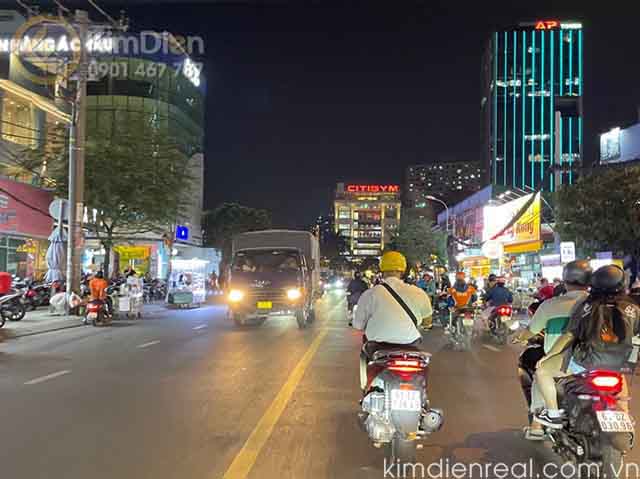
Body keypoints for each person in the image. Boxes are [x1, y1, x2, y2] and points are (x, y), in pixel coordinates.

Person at [534, 265, 640, 429]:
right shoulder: (633, 308)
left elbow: (569, 335)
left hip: (586, 362)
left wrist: (548, 357)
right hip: (621, 364)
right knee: (620, 377)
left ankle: (553, 414)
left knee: (542, 371)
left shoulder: (586, 306)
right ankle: (624, 414)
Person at [515, 260, 592, 440]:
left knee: (539, 375)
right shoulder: (599, 304)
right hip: (597, 360)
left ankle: (539, 425)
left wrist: (520, 337)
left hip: (566, 364)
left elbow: (533, 331)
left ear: (565, 281)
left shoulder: (551, 305)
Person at [353, 251, 432, 391]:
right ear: (402, 270)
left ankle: (367, 388)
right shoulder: (418, 292)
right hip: (410, 345)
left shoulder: (371, 294)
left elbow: (358, 325)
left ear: (382, 270)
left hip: (378, 348)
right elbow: (427, 320)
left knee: (364, 354)